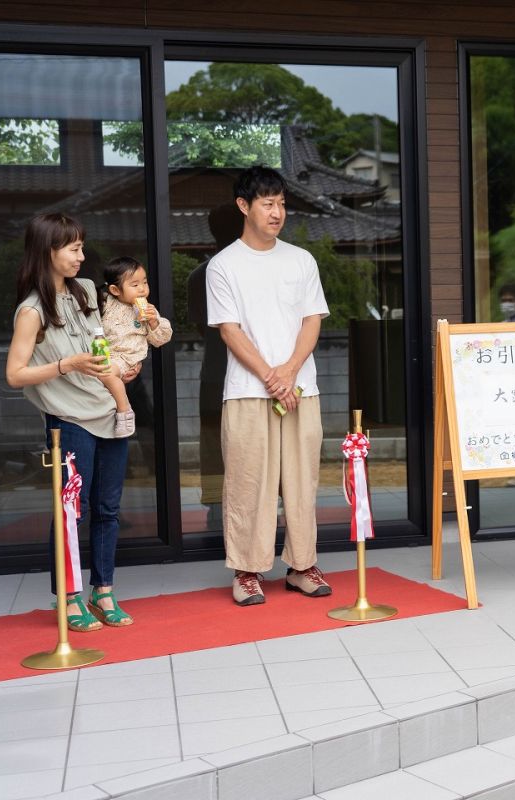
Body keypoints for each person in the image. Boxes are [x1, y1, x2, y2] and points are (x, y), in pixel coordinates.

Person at [5, 213, 140, 630]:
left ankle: (104, 591)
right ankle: (69, 597)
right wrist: (66, 364)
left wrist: (121, 367)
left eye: (82, 246)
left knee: (108, 509)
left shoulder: (84, 291)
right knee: (71, 512)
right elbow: (14, 374)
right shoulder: (31, 310)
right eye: (74, 248)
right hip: (69, 422)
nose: (83, 256)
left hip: (109, 412)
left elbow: (104, 342)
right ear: (49, 251)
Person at [206, 166, 332, 606]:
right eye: (267, 203)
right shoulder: (223, 266)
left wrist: (290, 372)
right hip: (246, 391)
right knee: (248, 482)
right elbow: (229, 330)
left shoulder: (301, 260)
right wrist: (271, 376)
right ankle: (246, 571)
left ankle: (302, 565)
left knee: (302, 481)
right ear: (244, 206)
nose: (277, 212)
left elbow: (312, 318)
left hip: (300, 389)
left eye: (281, 203)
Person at [187, 204, 243, 528]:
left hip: (214, 371)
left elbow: (199, 326)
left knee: (213, 442)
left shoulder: (199, 275)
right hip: (248, 373)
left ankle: (215, 509)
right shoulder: (245, 271)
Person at [96, 256, 173, 438]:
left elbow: (161, 339)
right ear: (115, 290)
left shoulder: (148, 310)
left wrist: (154, 322)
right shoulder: (105, 304)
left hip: (128, 359)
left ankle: (125, 412)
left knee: (106, 372)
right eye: (135, 284)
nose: (142, 289)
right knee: (103, 373)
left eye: (144, 283)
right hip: (109, 356)